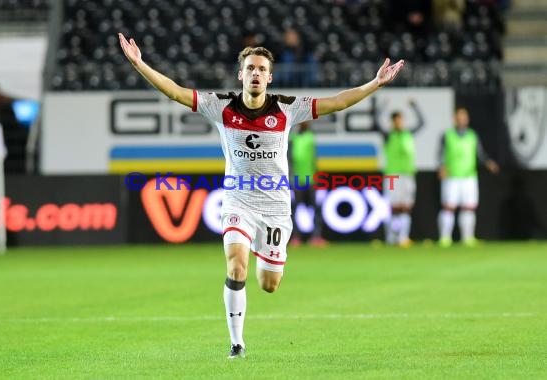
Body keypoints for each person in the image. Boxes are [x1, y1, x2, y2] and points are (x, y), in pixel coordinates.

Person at [118, 33, 404, 359]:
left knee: (269, 284)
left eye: (261, 69)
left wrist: (375, 83)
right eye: (250, 68)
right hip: (238, 200)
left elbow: (338, 101)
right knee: (236, 266)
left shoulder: (287, 108)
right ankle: (237, 343)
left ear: (270, 77)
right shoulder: (220, 105)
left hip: (275, 206)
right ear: (241, 74)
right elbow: (176, 92)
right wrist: (140, 64)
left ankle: (265, 259)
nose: (255, 73)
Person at [438, 107, 499, 247]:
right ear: (455, 119)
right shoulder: (447, 135)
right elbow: (441, 153)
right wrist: (442, 167)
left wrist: (488, 162)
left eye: (464, 117)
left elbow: (480, 154)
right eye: (459, 117)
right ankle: (445, 237)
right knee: (449, 207)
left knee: (469, 207)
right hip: (452, 176)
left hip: (469, 176)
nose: (461, 120)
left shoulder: (472, 135)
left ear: (467, 119)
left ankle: (468, 237)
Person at [379, 101, 423, 247]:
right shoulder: (388, 135)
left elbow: (422, 123)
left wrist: (415, 107)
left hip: (407, 175)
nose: (398, 122)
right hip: (392, 175)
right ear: (392, 122)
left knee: (405, 207)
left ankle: (403, 237)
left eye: (400, 119)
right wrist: (381, 107)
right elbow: (375, 124)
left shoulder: (408, 133)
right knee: (392, 207)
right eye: (396, 120)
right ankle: (390, 237)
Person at [288, 121, 328, 247]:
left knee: (315, 208)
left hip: (311, 178)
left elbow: (313, 158)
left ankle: (316, 236)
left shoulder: (311, 137)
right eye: (305, 121)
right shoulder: (293, 138)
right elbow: (289, 159)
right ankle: (295, 237)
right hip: (297, 179)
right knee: (295, 209)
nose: (307, 123)